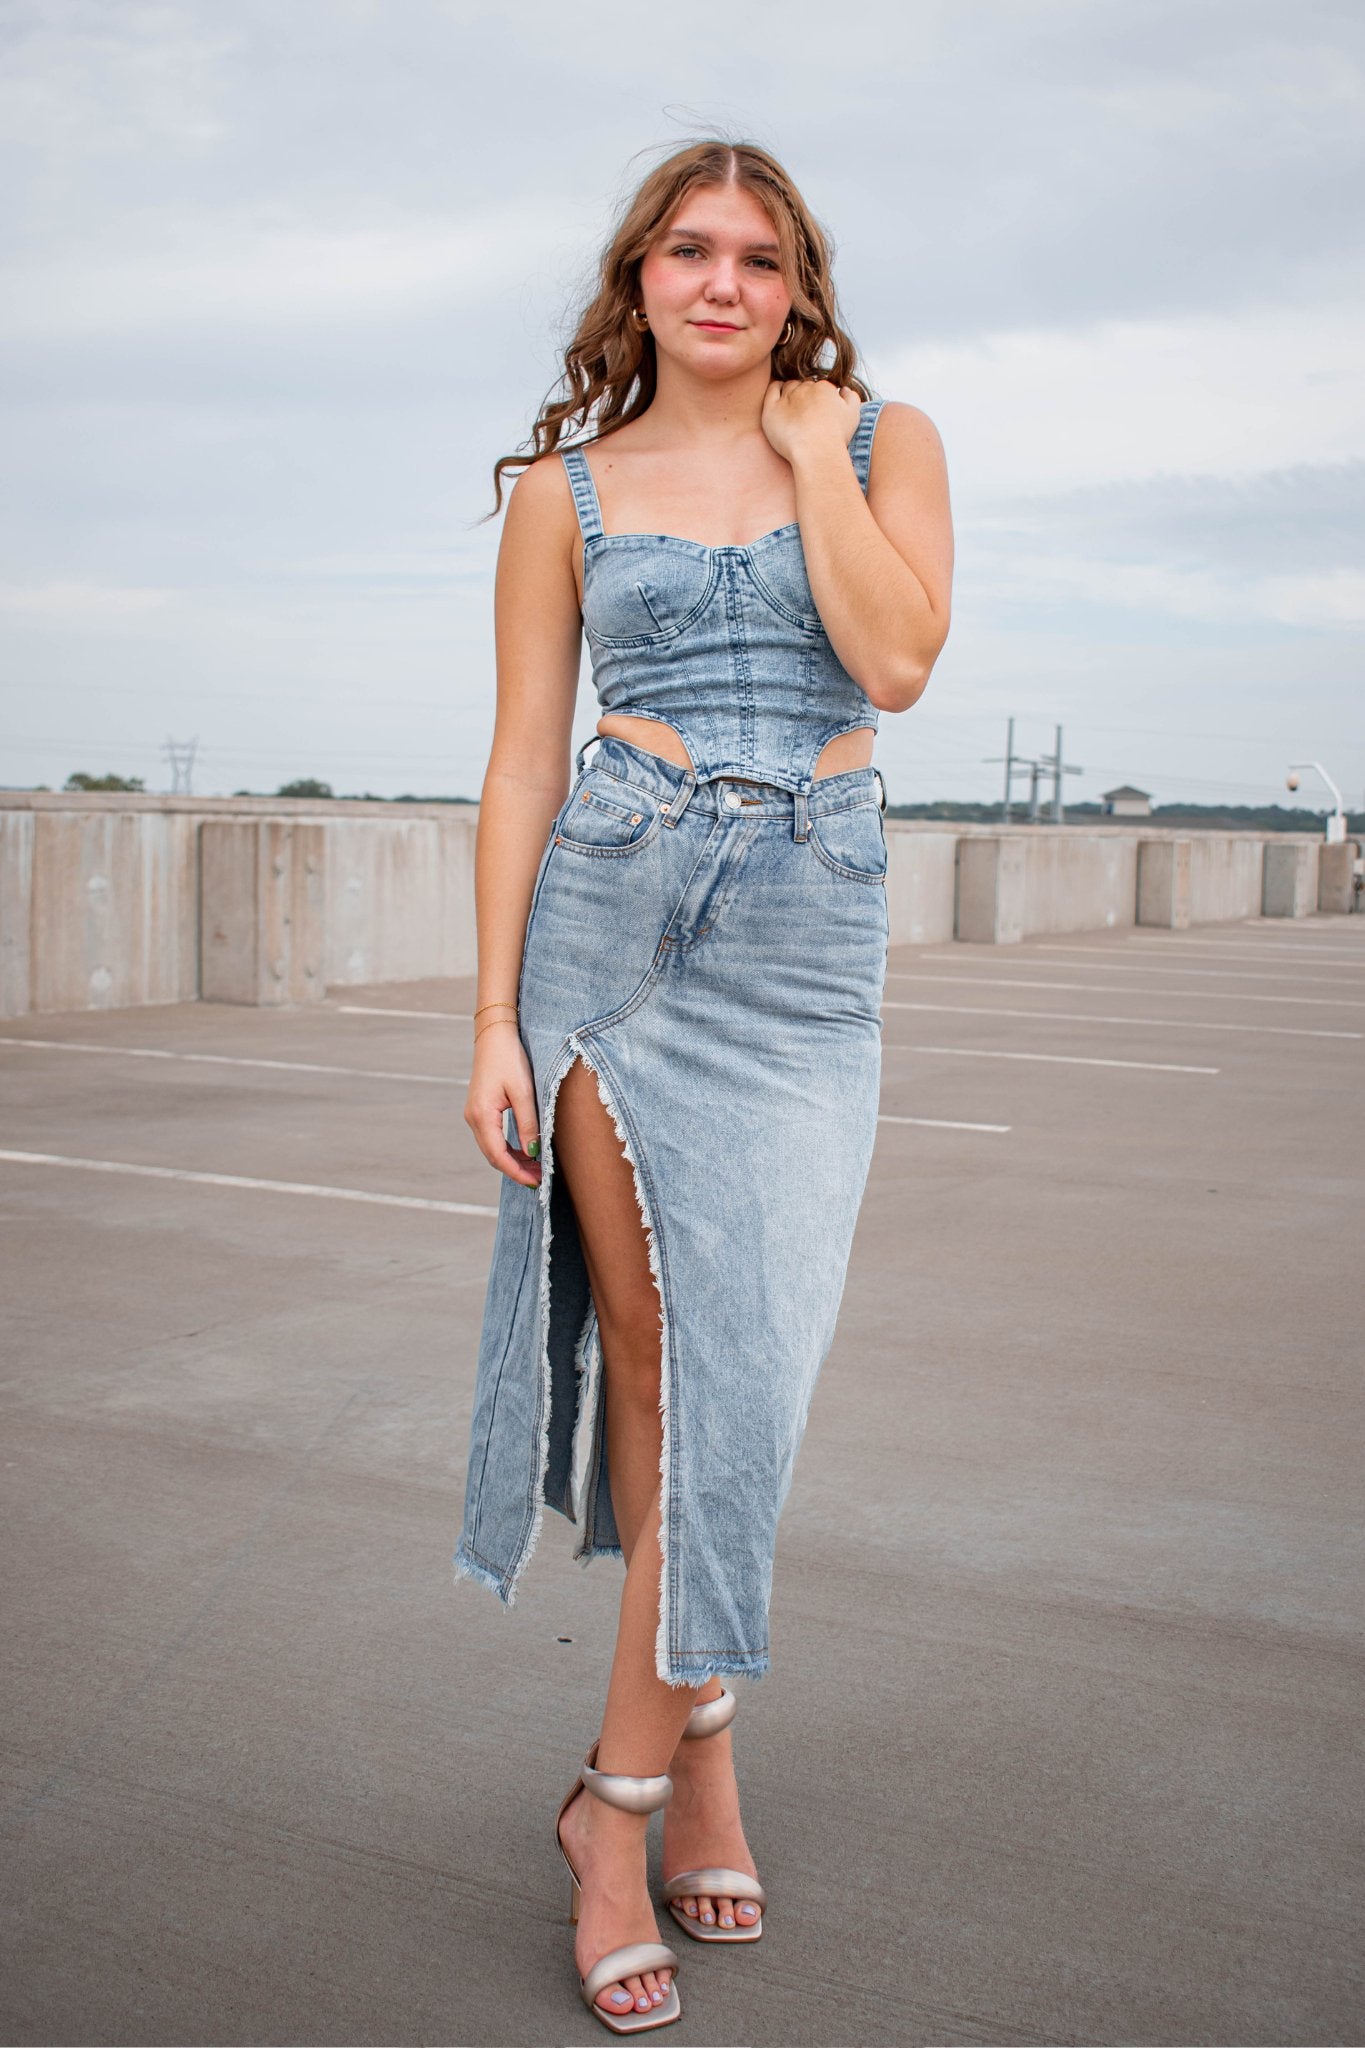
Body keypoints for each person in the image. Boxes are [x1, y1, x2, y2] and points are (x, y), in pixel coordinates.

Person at [454, 137, 953, 2034]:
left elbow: (896, 660)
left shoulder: (885, 442)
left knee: (756, 1372)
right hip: (613, 917)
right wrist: (491, 1019)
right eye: (688, 251)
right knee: (661, 1366)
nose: (721, 283)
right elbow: (516, 763)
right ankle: (688, 1777)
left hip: (806, 943)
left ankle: (619, 1796)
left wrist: (817, 455)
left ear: (798, 280)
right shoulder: (565, 493)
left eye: (756, 256)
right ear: (637, 278)